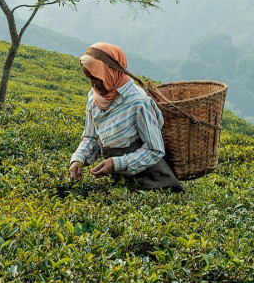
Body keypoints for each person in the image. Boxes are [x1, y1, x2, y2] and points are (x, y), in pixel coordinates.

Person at [69, 42, 182, 191]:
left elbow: (155, 150)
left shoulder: (138, 101)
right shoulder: (93, 98)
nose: (92, 84)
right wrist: (78, 159)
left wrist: (116, 164)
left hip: (155, 184)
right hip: (123, 184)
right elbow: (91, 137)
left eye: (96, 77)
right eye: (88, 77)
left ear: (110, 72)